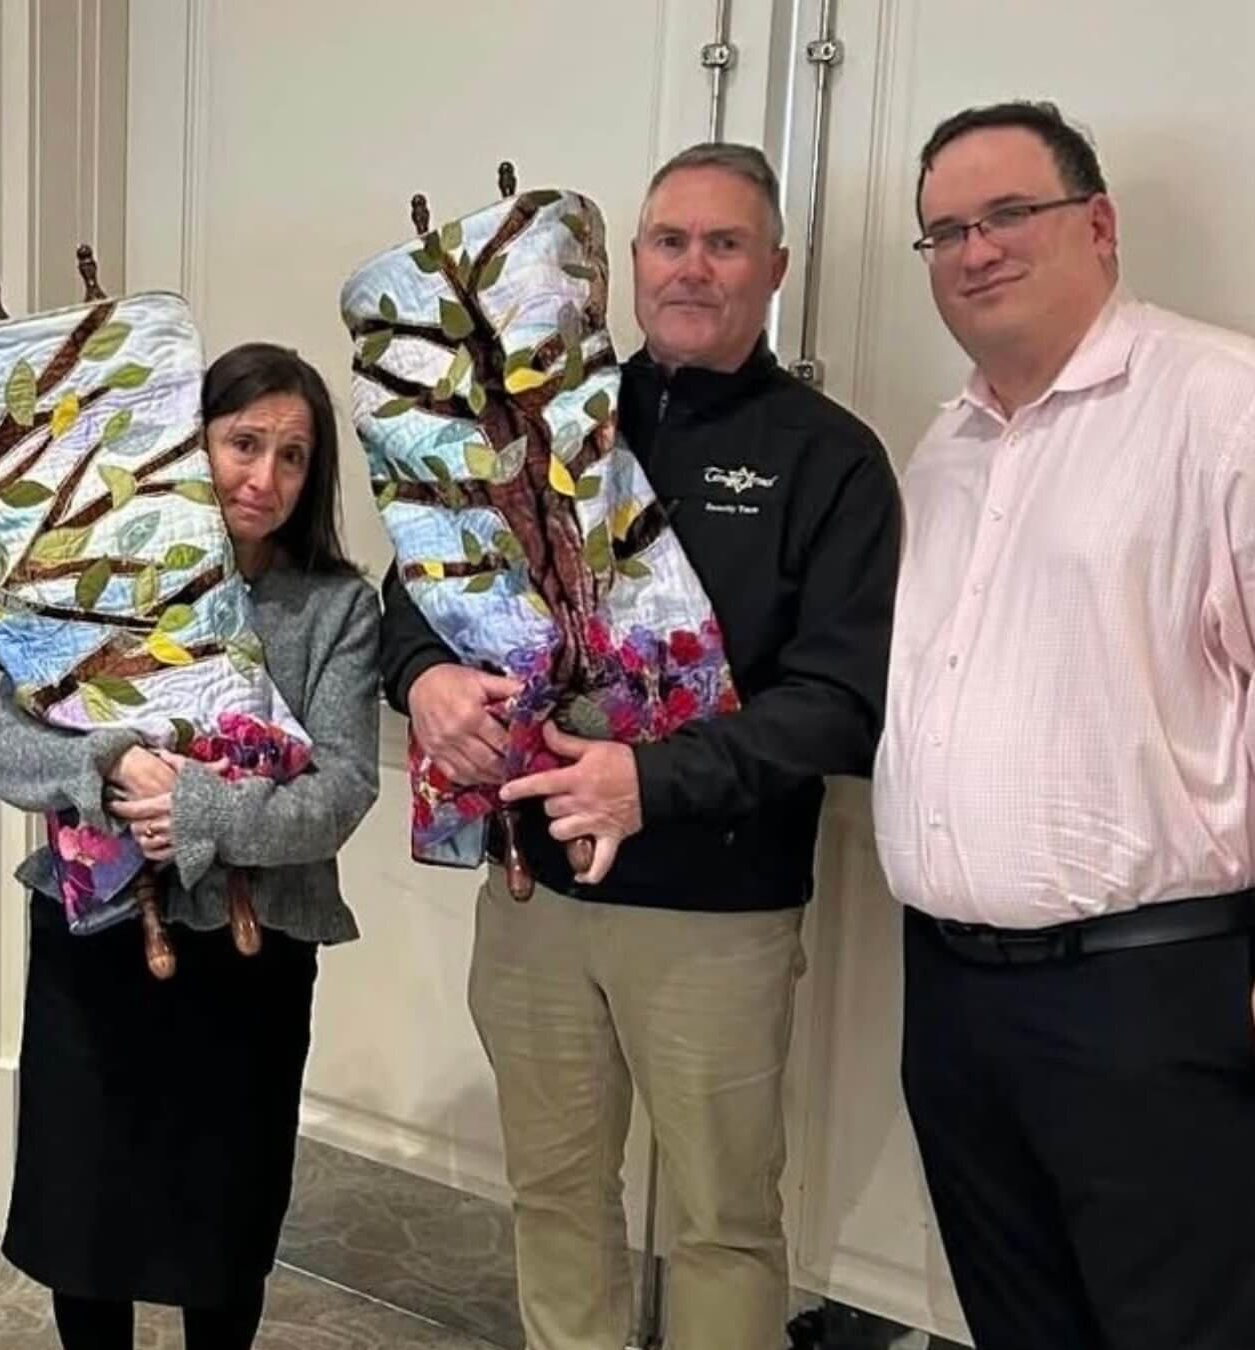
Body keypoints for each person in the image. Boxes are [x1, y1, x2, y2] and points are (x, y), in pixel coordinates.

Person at [379, 143, 900, 1349]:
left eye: (725, 245)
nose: (694, 268)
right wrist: (425, 677)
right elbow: (424, 581)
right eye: (670, 241)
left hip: (716, 917)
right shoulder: (540, 421)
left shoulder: (831, 459)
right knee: (555, 1197)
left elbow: (837, 701)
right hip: (533, 900)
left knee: (722, 1221)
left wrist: (647, 782)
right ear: (629, 265)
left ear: (774, 267)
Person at [875, 100, 1255, 1350]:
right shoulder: (947, 446)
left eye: (1008, 213)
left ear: (1099, 223)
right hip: (957, 996)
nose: (976, 250)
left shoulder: (1231, 407)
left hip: (1155, 996)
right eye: (946, 231)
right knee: (1021, 1326)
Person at [0, 342, 380, 1350]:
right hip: (96, 939)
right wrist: (108, 770)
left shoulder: (336, 607)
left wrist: (201, 810)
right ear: (190, 441)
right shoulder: (93, 575)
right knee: (88, 1216)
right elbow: (5, 745)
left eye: (292, 456)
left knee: (224, 1224)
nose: (264, 477)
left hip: (253, 958)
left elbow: (342, 790)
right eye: (244, 442)